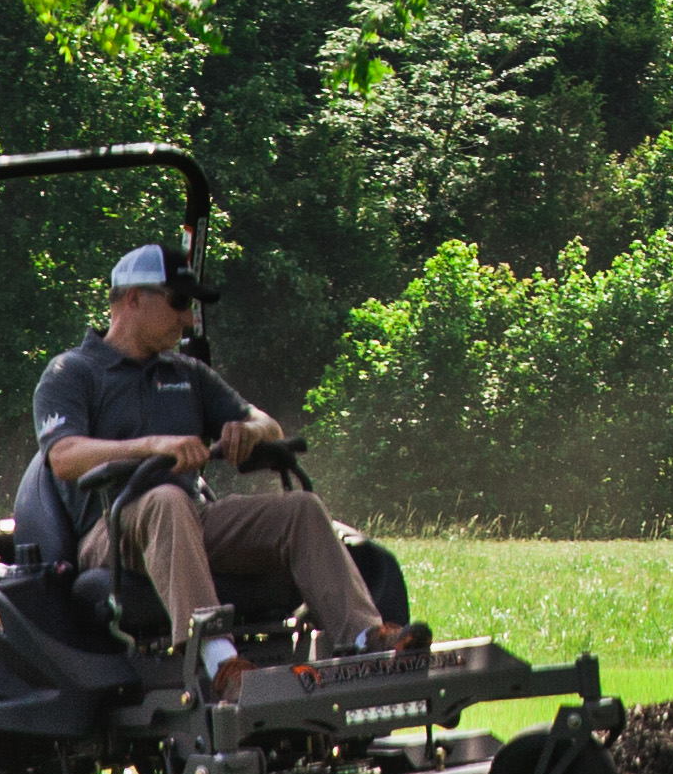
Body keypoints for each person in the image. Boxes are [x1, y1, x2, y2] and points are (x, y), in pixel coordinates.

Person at [31, 243, 418, 689]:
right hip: (112, 529)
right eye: (178, 303)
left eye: (191, 307)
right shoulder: (71, 373)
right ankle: (218, 662)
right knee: (167, 499)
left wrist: (249, 431)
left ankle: (367, 638)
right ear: (132, 299)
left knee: (301, 509)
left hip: (188, 522)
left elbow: (266, 423)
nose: (188, 318)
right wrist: (155, 445)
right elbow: (63, 456)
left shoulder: (186, 374)